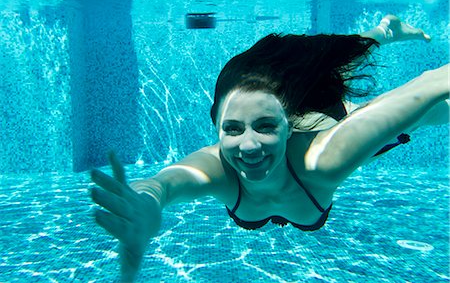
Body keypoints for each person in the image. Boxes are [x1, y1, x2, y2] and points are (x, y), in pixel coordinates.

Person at [90, 15, 449, 282]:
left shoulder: (325, 159)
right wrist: (145, 203)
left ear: (287, 124)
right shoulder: (220, 167)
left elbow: (431, 83)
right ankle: (383, 31)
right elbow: (163, 184)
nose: (247, 147)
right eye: (232, 129)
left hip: (331, 123)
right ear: (215, 125)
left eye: (264, 127)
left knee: (423, 114)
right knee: (327, 64)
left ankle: (384, 32)